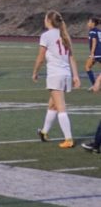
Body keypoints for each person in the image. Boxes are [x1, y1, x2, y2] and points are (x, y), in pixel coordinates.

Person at [33, 10, 81, 148]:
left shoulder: (46, 36)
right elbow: (71, 57)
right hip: (65, 75)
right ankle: (44, 132)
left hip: (55, 75)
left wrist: (35, 72)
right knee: (52, 104)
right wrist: (76, 75)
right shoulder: (64, 34)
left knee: (61, 107)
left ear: (48, 20)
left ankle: (69, 139)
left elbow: (40, 57)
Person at [84, 17, 101, 86]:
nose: (88, 23)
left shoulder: (92, 31)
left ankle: (94, 85)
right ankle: (96, 84)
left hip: (96, 53)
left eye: (89, 22)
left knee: (87, 67)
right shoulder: (99, 31)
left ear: (93, 23)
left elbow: (94, 42)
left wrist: (92, 53)